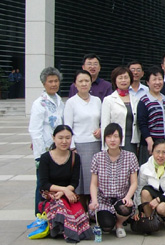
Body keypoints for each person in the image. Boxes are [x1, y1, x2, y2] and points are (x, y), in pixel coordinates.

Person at [38, 125, 93, 242]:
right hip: (51, 195)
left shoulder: (75, 157)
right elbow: (44, 183)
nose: (64, 141)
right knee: (61, 207)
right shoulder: (45, 158)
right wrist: (64, 190)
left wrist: (66, 191)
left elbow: (75, 181)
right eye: (60, 138)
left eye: (68, 138)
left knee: (81, 220)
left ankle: (64, 228)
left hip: (69, 195)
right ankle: (59, 228)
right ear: (53, 138)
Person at [89, 123, 139, 238]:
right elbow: (93, 184)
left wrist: (128, 197)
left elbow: (134, 182)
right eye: (109, 136)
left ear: (121, 138)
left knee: (125, 208)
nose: (112, 140)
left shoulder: (130, 156)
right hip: (103, 200)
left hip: (122, 199)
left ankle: (119, 224)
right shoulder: (97, 157)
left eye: (116, 136)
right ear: (104, 139)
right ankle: (110, 220)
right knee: (106, 226)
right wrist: (94, 200)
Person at [29, 67, 65, 215]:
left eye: (56, 81)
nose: (54, 84)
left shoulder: (59, 101)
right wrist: (39, 155)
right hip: (45, 151)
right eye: (50, 81)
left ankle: (54, 215)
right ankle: (40, 215)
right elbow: (35, 130)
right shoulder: (39, 103)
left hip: (59, 149)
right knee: (43, 185)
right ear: (44, 83)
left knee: (55, 185)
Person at [64, 70, 102, 200]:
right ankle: (82, 208)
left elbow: (102, 121)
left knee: (96, 179)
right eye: (80, 81)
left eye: (87, 81)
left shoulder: (97, 100)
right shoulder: (71, 102)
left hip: (96, 144)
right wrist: (72, 146)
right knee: (82, 181)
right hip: (79, 145)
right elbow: (68, 126)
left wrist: (101, 129)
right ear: (75, 84)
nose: (84, 84)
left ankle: (95, 205)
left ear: (91, 83)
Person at [135, 139, 165, 230]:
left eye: (164, 152)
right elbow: (139, 188)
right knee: (144, 191)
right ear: (152, 152)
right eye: (157, 152)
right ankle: (150, 221)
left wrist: (159, 199)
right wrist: (138, 209)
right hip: (152, 197)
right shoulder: (144, 167)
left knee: (161, 209)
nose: (160, 155)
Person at [101, 66, 140, 154]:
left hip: (131, 141)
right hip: (114, 140)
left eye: (126, 77)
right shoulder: (109, 100)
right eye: (120, 78)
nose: (123, 80)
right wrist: (105, 147)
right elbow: (105, 124)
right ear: (115, 80)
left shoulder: (135, 99)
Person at [137, 66, 165, 165]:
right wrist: (149, 141)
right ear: (148, 82)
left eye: (160, 79)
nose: (157, 82)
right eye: (154, 79)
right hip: (151, 143)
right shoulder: (144, 101)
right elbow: (142, 123)